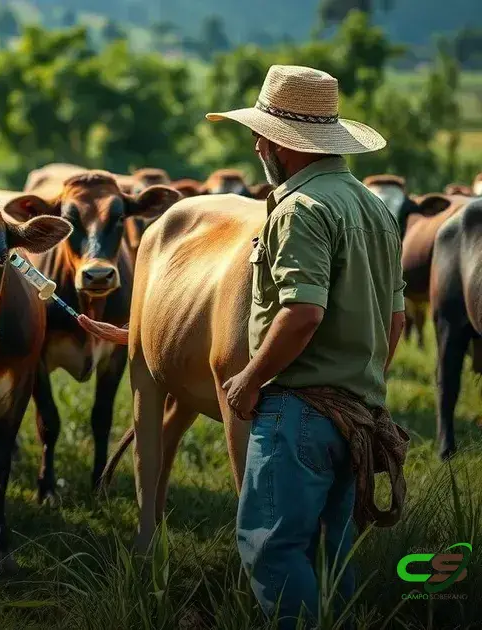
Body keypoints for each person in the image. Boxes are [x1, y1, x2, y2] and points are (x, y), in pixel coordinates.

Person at [79, 65, 409, 628]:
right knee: (333, 549)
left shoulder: (298, 210)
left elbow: (301, 313)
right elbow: (395, 317)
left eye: (261, 133)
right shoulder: (373, 207)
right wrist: (364, 382)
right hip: (355, 413)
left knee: (271, 548)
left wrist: (250, 378)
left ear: (284, 141)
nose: (256, 144)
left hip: (295, 410)